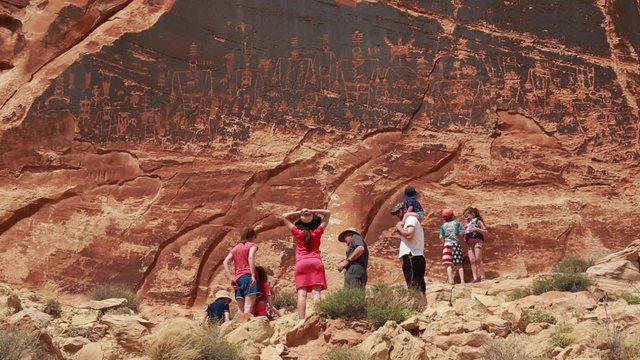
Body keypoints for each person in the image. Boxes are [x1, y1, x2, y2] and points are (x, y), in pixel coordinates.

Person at [282, 208, 331, 322]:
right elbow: (328, 213)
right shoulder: (317, 232)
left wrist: (300, 213)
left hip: (301, 263)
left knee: (302, 293)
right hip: (315, 262)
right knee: (316, 292)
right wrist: (311, 211)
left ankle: (301, 320)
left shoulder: (297, 232)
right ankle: (317, 317)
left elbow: (284, 215)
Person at [390, 202, 426, 296]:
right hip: (415, 255)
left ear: (404, 210)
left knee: (413, 284)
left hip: (411, 255)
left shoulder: (410, 219)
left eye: (398, 212)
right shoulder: (412, 219)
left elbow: (409, 235)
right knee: (418, 283)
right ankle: (422, 305)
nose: (397, 215)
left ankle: (416, 306)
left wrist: (399, 227)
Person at [223, 227, 260, 313]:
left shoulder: (235, 248)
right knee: (248, 306)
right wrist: (253, 275)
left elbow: (225, 262)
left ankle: (238, 325)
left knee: (240, 309)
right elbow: (250, 257)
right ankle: (245, 325)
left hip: (238, 280)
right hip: (248, 277)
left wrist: (231, 278)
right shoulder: (252, 245)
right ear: (252, 236)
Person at [463, 207, 488, 283]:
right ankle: (475, 278)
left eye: (467, 216)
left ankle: (483, 277)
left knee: (478, 259)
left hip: (477, 241)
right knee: (472, 261)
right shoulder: (467, 223)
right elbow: (465, 231)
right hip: (470, 244)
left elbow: (485, 231)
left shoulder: (478, 221)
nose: (466, 218)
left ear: (472, 214)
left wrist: (477, 229)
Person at [439, 209, 465, 285]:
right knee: (458, 263)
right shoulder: (457, 223)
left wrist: (444, 243)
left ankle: (451, 280)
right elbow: (460, 233)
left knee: (448, 263)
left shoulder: (443, 226)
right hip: (455, 244)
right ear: (452, 216)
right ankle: (462, 281)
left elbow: (440, 236)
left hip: (447, 245)